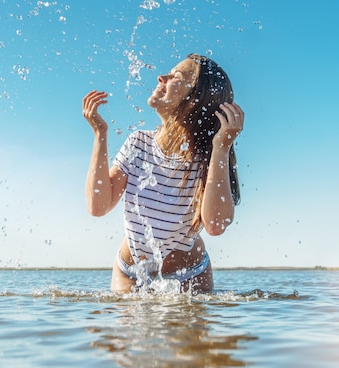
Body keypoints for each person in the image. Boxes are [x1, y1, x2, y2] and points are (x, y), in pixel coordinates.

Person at [82, 53, 244, 294]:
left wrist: (221, 147)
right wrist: (100, 134)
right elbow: (98, 206)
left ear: (195, 99)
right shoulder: (138, 143)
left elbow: (215, 225)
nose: (161, 77)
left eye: (176, 76)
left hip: (191, 276)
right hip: (130, 273)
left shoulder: (206, 159)